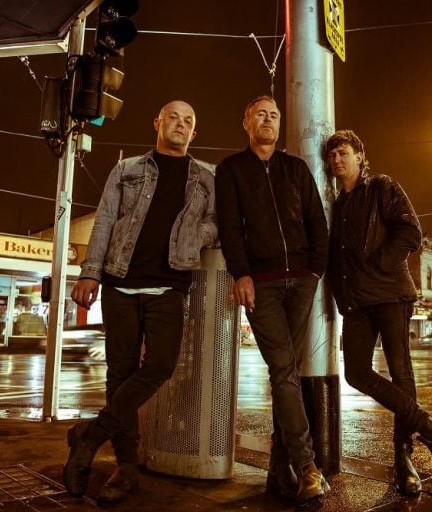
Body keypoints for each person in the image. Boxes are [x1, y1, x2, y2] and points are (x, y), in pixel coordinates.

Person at [63, 100, 217, 504]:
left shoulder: (206, 177)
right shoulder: (127, 169)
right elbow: (105, 220)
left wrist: (197, 237)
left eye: (189, 120)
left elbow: (216, 221)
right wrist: (89, 271)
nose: (181, 125)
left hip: (169, 285)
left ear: (194, 133)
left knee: (161, 365)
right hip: (119, 282)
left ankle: (88, 436)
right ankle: (126, 467)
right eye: (174, 117)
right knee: (120, 374)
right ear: (157, 122)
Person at [323, 129, 432, 495]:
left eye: (343, 153)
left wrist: (380, 265)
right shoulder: (337, 206)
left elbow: (411, 232)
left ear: (359, 156)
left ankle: (404, 459)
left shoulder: (382, 187)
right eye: (332, 155)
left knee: (401, 372)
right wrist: (343, 292)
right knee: (355, 372)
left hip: (390, 295)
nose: (337, 160)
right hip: (356, 302)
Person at [215, 95, 330, 504]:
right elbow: (229, 226)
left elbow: (318, 221)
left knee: (287, 372)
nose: (268, 120)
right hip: (259, 284)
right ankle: (306, 466)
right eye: (261, 114)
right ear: (246, 122)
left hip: (301, 281)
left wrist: (315, 271)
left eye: (275, 115)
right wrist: (240, 272)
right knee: (284, 370)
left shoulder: (294, 169)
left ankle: (280, 471)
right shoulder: (231, 170)